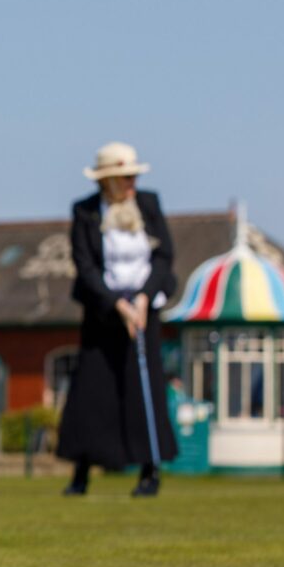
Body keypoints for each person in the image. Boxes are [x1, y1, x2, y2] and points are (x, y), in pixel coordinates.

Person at [57, 143, 179, 497]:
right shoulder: (85, 211)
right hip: (102, 310)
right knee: (93, 389)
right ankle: (82, 470)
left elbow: (164, 254)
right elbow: (86, 264)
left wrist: (141, 300)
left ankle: (150, 470)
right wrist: (117, 306)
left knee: (145, 386)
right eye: (126, 177)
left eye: (134, 176)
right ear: (107, 180)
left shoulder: (149, 204)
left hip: (145, 307)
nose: (132, 183)